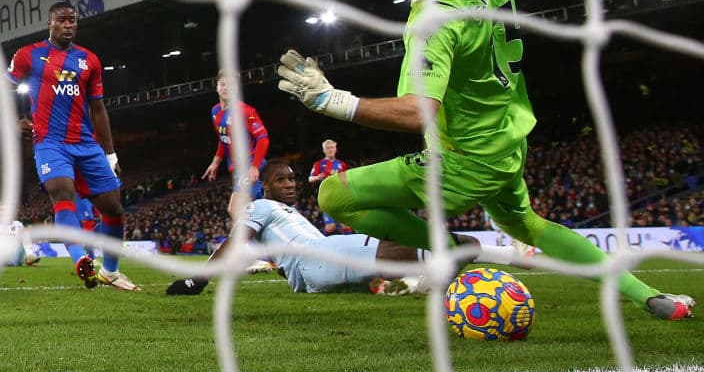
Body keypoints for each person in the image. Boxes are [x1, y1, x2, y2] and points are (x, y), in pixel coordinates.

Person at [276, 0, 694, 320]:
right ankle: (650, 297)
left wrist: (331, 100)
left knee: (335, 195)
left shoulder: (434, 21)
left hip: (463, 157)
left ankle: (450, 248)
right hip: (506, 140)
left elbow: (417, 112)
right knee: (529, 224)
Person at [166, 161, 524, 295]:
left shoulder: (292, 214)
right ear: (267, 187)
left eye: (292, 178)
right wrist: (197, 279)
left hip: (325, 259)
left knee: (447, 244)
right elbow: (236, 240)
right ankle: (516, 259)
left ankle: (422, 281)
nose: (290, 184)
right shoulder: (259, 206)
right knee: (456, 243)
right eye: (281, 179)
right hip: (322, 257)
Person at [5, 1, 140, 291]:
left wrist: (110, 152)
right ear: (49, 23)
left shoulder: (89, 60)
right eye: (62, 20)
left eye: (73, 20)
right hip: (50, 143)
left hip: (87, 144)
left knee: (114, 209)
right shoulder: (28, 55)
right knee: (61, 193)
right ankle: (81, 260)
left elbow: (99, 109)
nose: (68, 25)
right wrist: (15, 121)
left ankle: (111, 271)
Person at [202, 70, 270, 221]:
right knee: (255, 212)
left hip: (250, 166)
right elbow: (224, 138)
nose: (226, 88)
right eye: (222, 84)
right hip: (238, 169)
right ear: (217, 87)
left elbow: (263, 138)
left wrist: (254, 166)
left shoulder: (246, 111)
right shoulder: (215, 111)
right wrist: (216, 162)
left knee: (236, 210)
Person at [307, 139, 352, 235]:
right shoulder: (319, 164)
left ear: (336, 149)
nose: (330, 149)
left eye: (332, 147)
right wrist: (317, 177)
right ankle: (319, 241)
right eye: (327, 148)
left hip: (340, 197)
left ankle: (352, 246)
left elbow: (346, 180)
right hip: (327, 198)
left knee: (346, 225)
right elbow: (310, 178)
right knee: (331, 228)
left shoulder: (342, 164)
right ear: (324, 150)